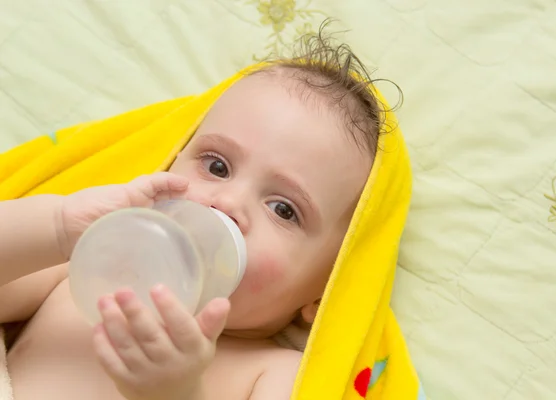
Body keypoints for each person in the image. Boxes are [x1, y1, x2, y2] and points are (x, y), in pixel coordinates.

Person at [0, 30, 394, 400]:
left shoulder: (273, 374)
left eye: (284, 209)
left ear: (322, 292)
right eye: (217, 166)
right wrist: (57, 227)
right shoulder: (80, 271)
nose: (226, 204)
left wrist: (179, 392)